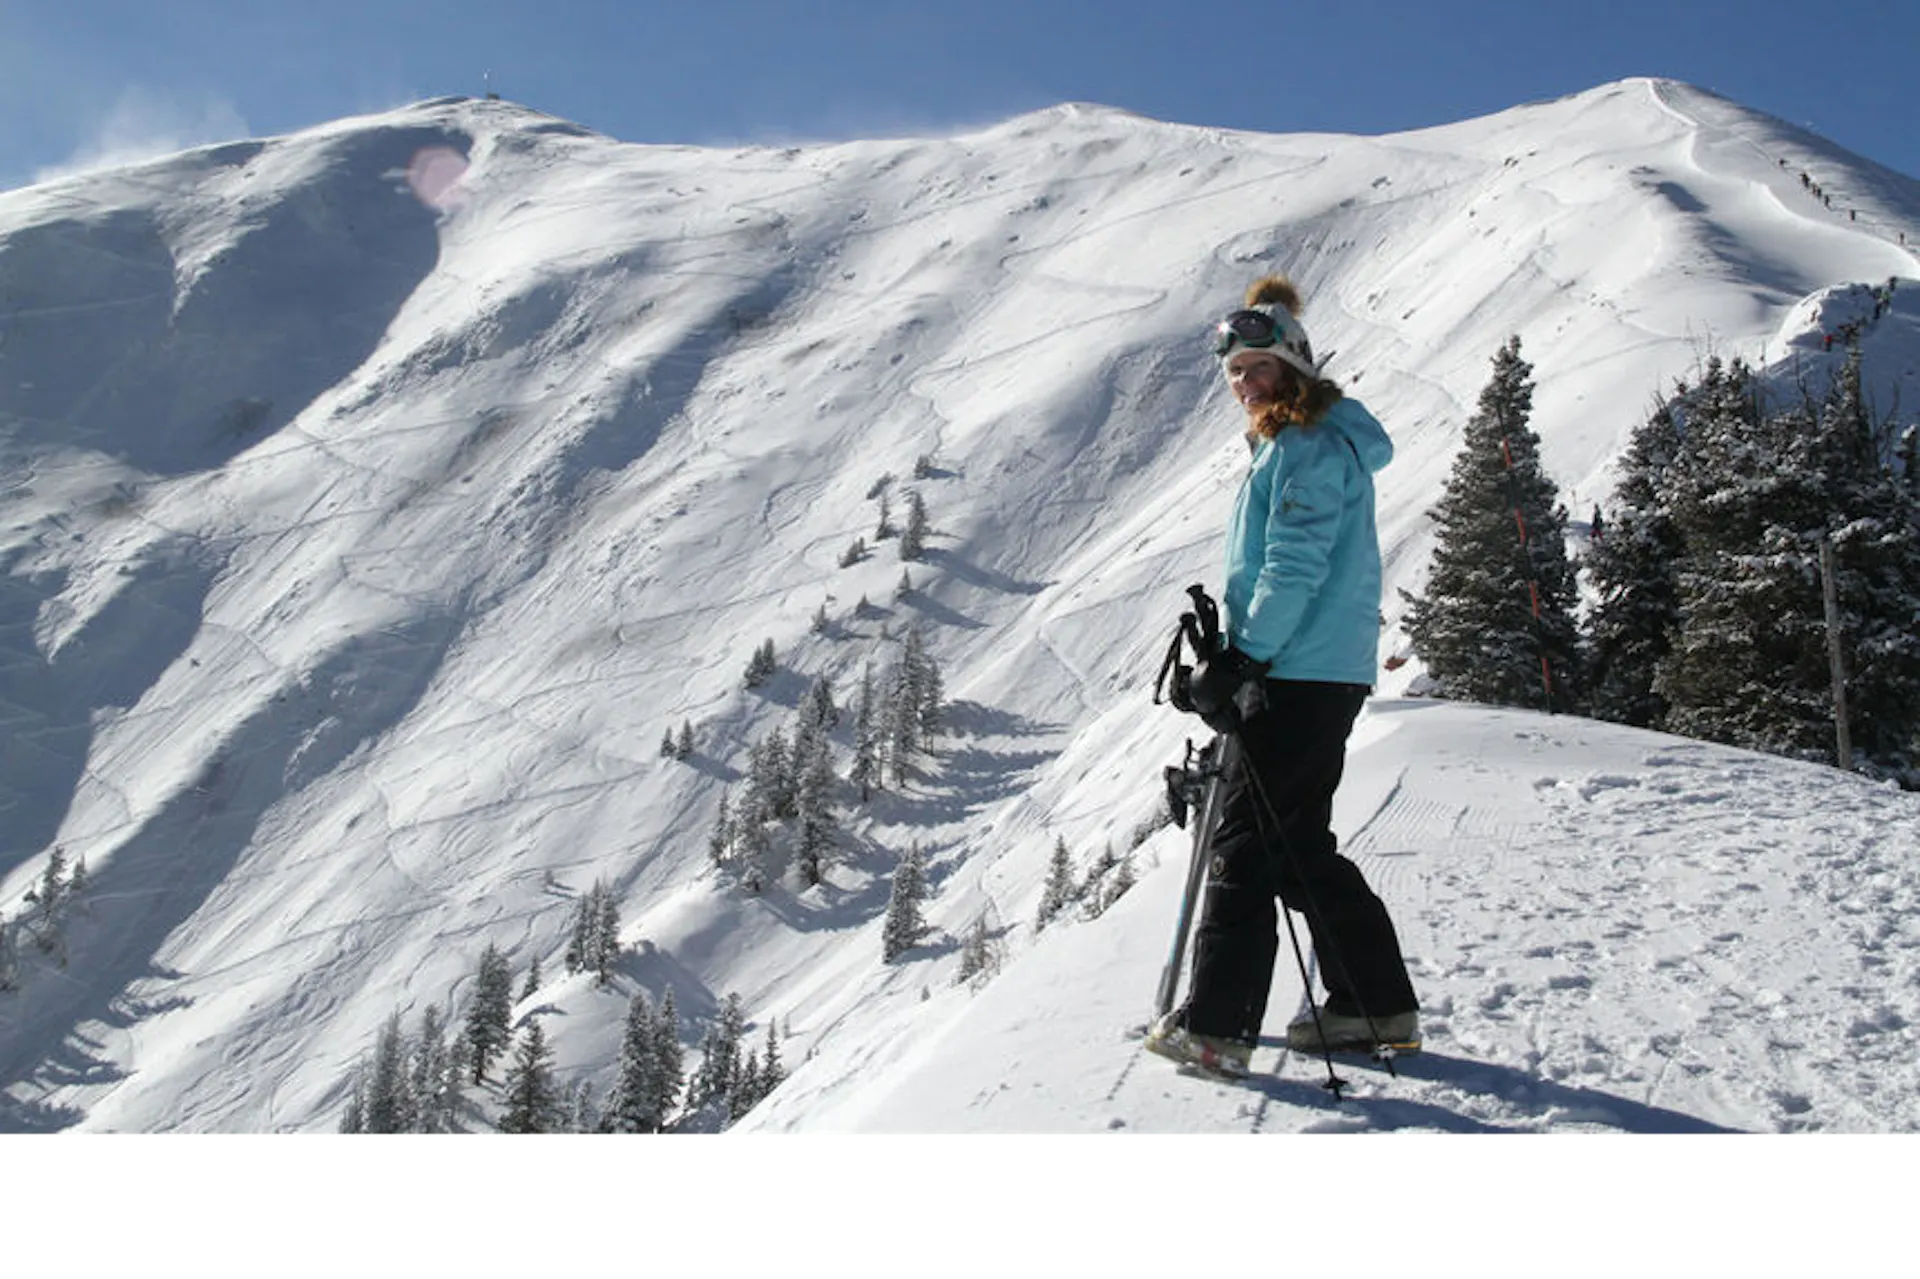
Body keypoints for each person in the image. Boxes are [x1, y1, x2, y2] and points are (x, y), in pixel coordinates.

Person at [1145, 275, 1419, 1076]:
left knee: (1241, 843)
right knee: (1296, 845)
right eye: (1234, 373)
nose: (1244, 384)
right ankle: (1372, 1005)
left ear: (1295, 367)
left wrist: (1244, 657)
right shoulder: (1297, 443)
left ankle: (1217, 1026)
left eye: (1258, 368)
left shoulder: (1303, 446)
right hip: (1316, 671)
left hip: (1297, 674)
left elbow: (1293, 565)